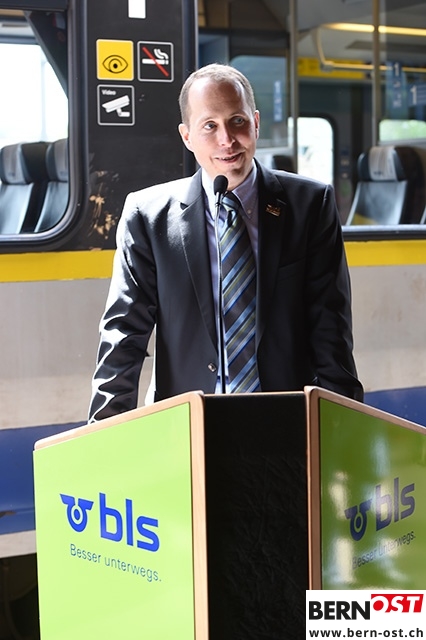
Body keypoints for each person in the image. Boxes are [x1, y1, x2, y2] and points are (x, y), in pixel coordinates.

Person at [88, 63, 363, 422]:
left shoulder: (310, 205)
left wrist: (343, 425)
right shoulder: (148, 216)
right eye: (209, 126)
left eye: (237, 121)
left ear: (256, 123)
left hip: (287, 420)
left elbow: (331, 330)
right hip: (186, 422)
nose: (227, 140)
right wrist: (104, 432)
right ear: (187, 136)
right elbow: (124, 333)